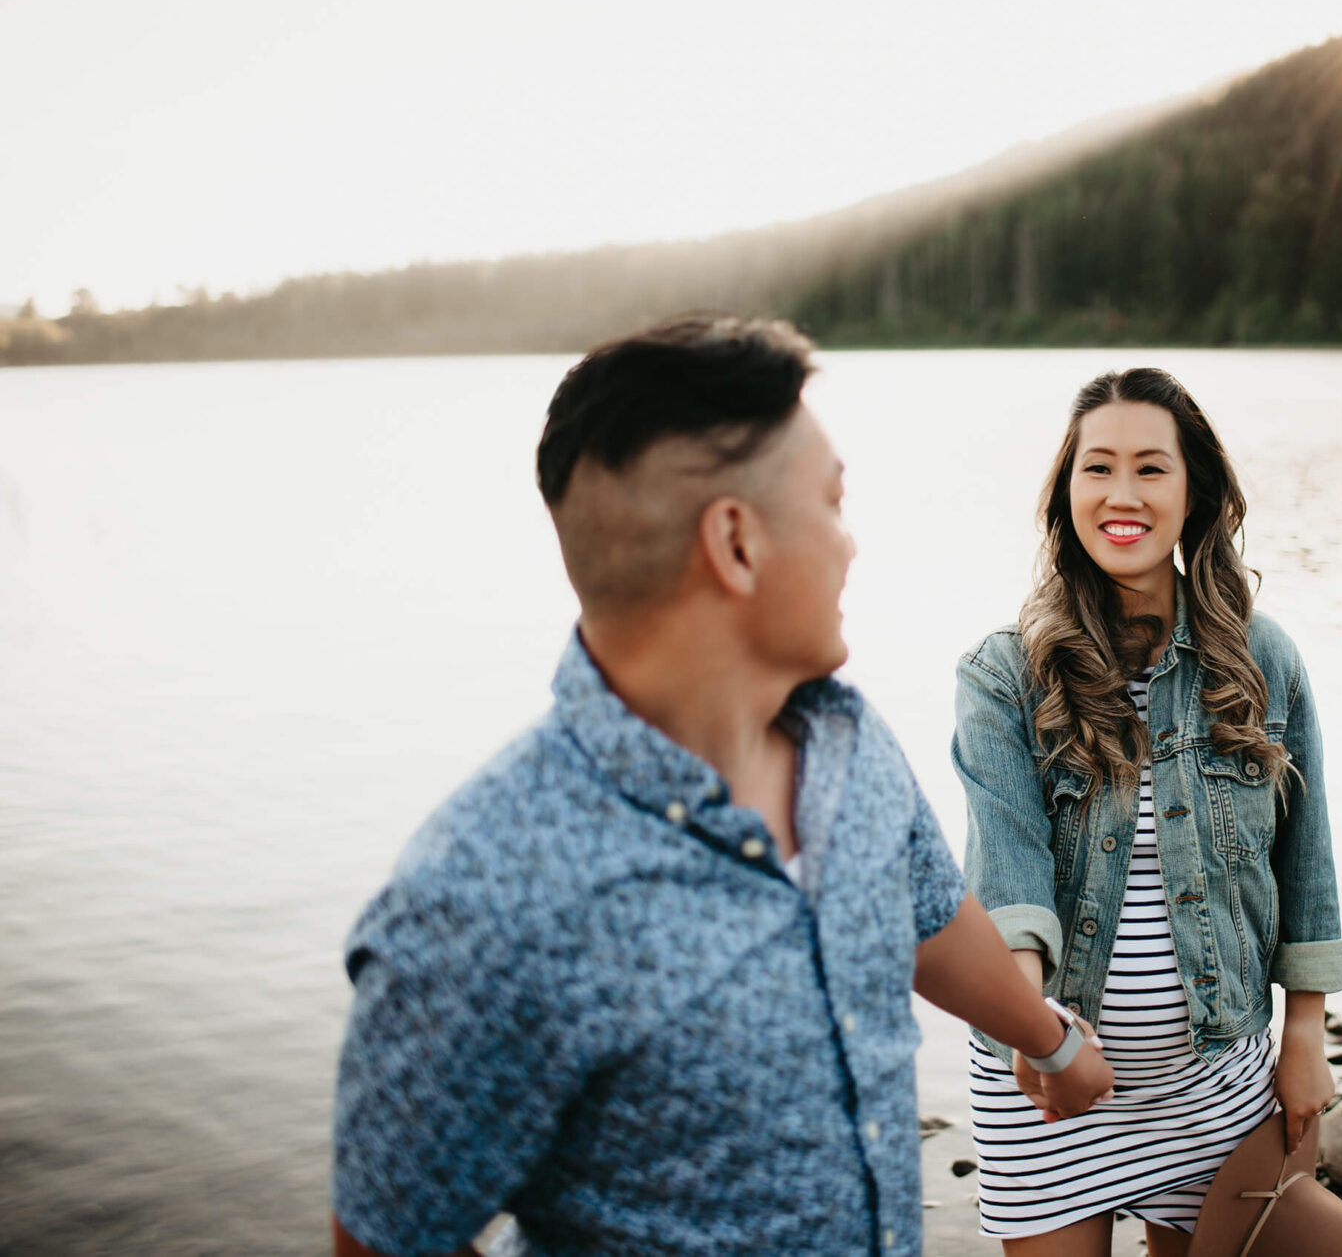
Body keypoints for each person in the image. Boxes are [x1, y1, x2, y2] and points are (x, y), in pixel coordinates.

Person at [329, 315, 1113, 1257]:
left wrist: (1050, 1040)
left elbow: (924, 912)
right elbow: (390, 1238)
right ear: (735, 542)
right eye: (829, 505)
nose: (850, 545)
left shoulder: (848, 739)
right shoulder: (482, 898)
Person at [952, 368, 1342, 1257]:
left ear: (1195, 493)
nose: (1120, 495)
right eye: (1096, 469)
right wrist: (1034, 1033)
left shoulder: (1262, 658)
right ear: (1067, 493)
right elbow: (1007, 875)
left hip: (1213, 1082)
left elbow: (1307, 865)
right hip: (1049, 1084)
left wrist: (1306, 1037)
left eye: (1150, 469)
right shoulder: (1002, 676)